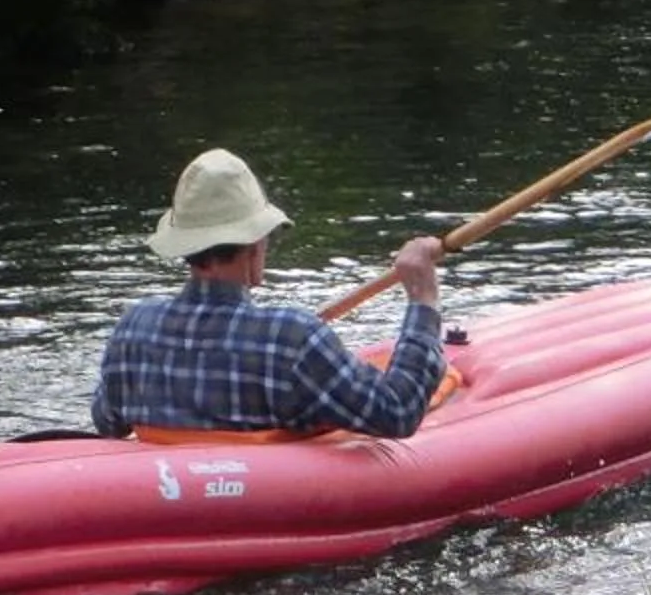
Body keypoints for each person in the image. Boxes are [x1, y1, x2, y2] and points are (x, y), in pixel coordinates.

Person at [90, 148, 447, 439]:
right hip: (269, 506)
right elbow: (397, 412)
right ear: (254, 243)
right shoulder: (292, 337)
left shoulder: (133, 327)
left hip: (167, 505)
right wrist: (422, 301)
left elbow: (109, 423)